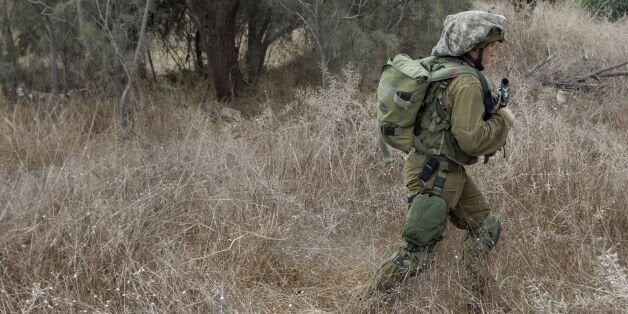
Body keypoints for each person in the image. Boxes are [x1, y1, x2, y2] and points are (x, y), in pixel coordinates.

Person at [365, 10, 515, 307]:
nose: (493, 54)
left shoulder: (437, 66)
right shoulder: (468, 82)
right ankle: (366, 304)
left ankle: (475, 300)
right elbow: (471, 139)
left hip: (443, 170)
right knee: (414, 253)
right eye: (490, 47)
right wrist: (504, 121)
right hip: (435, 175)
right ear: (472, 48)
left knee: (486, 227)